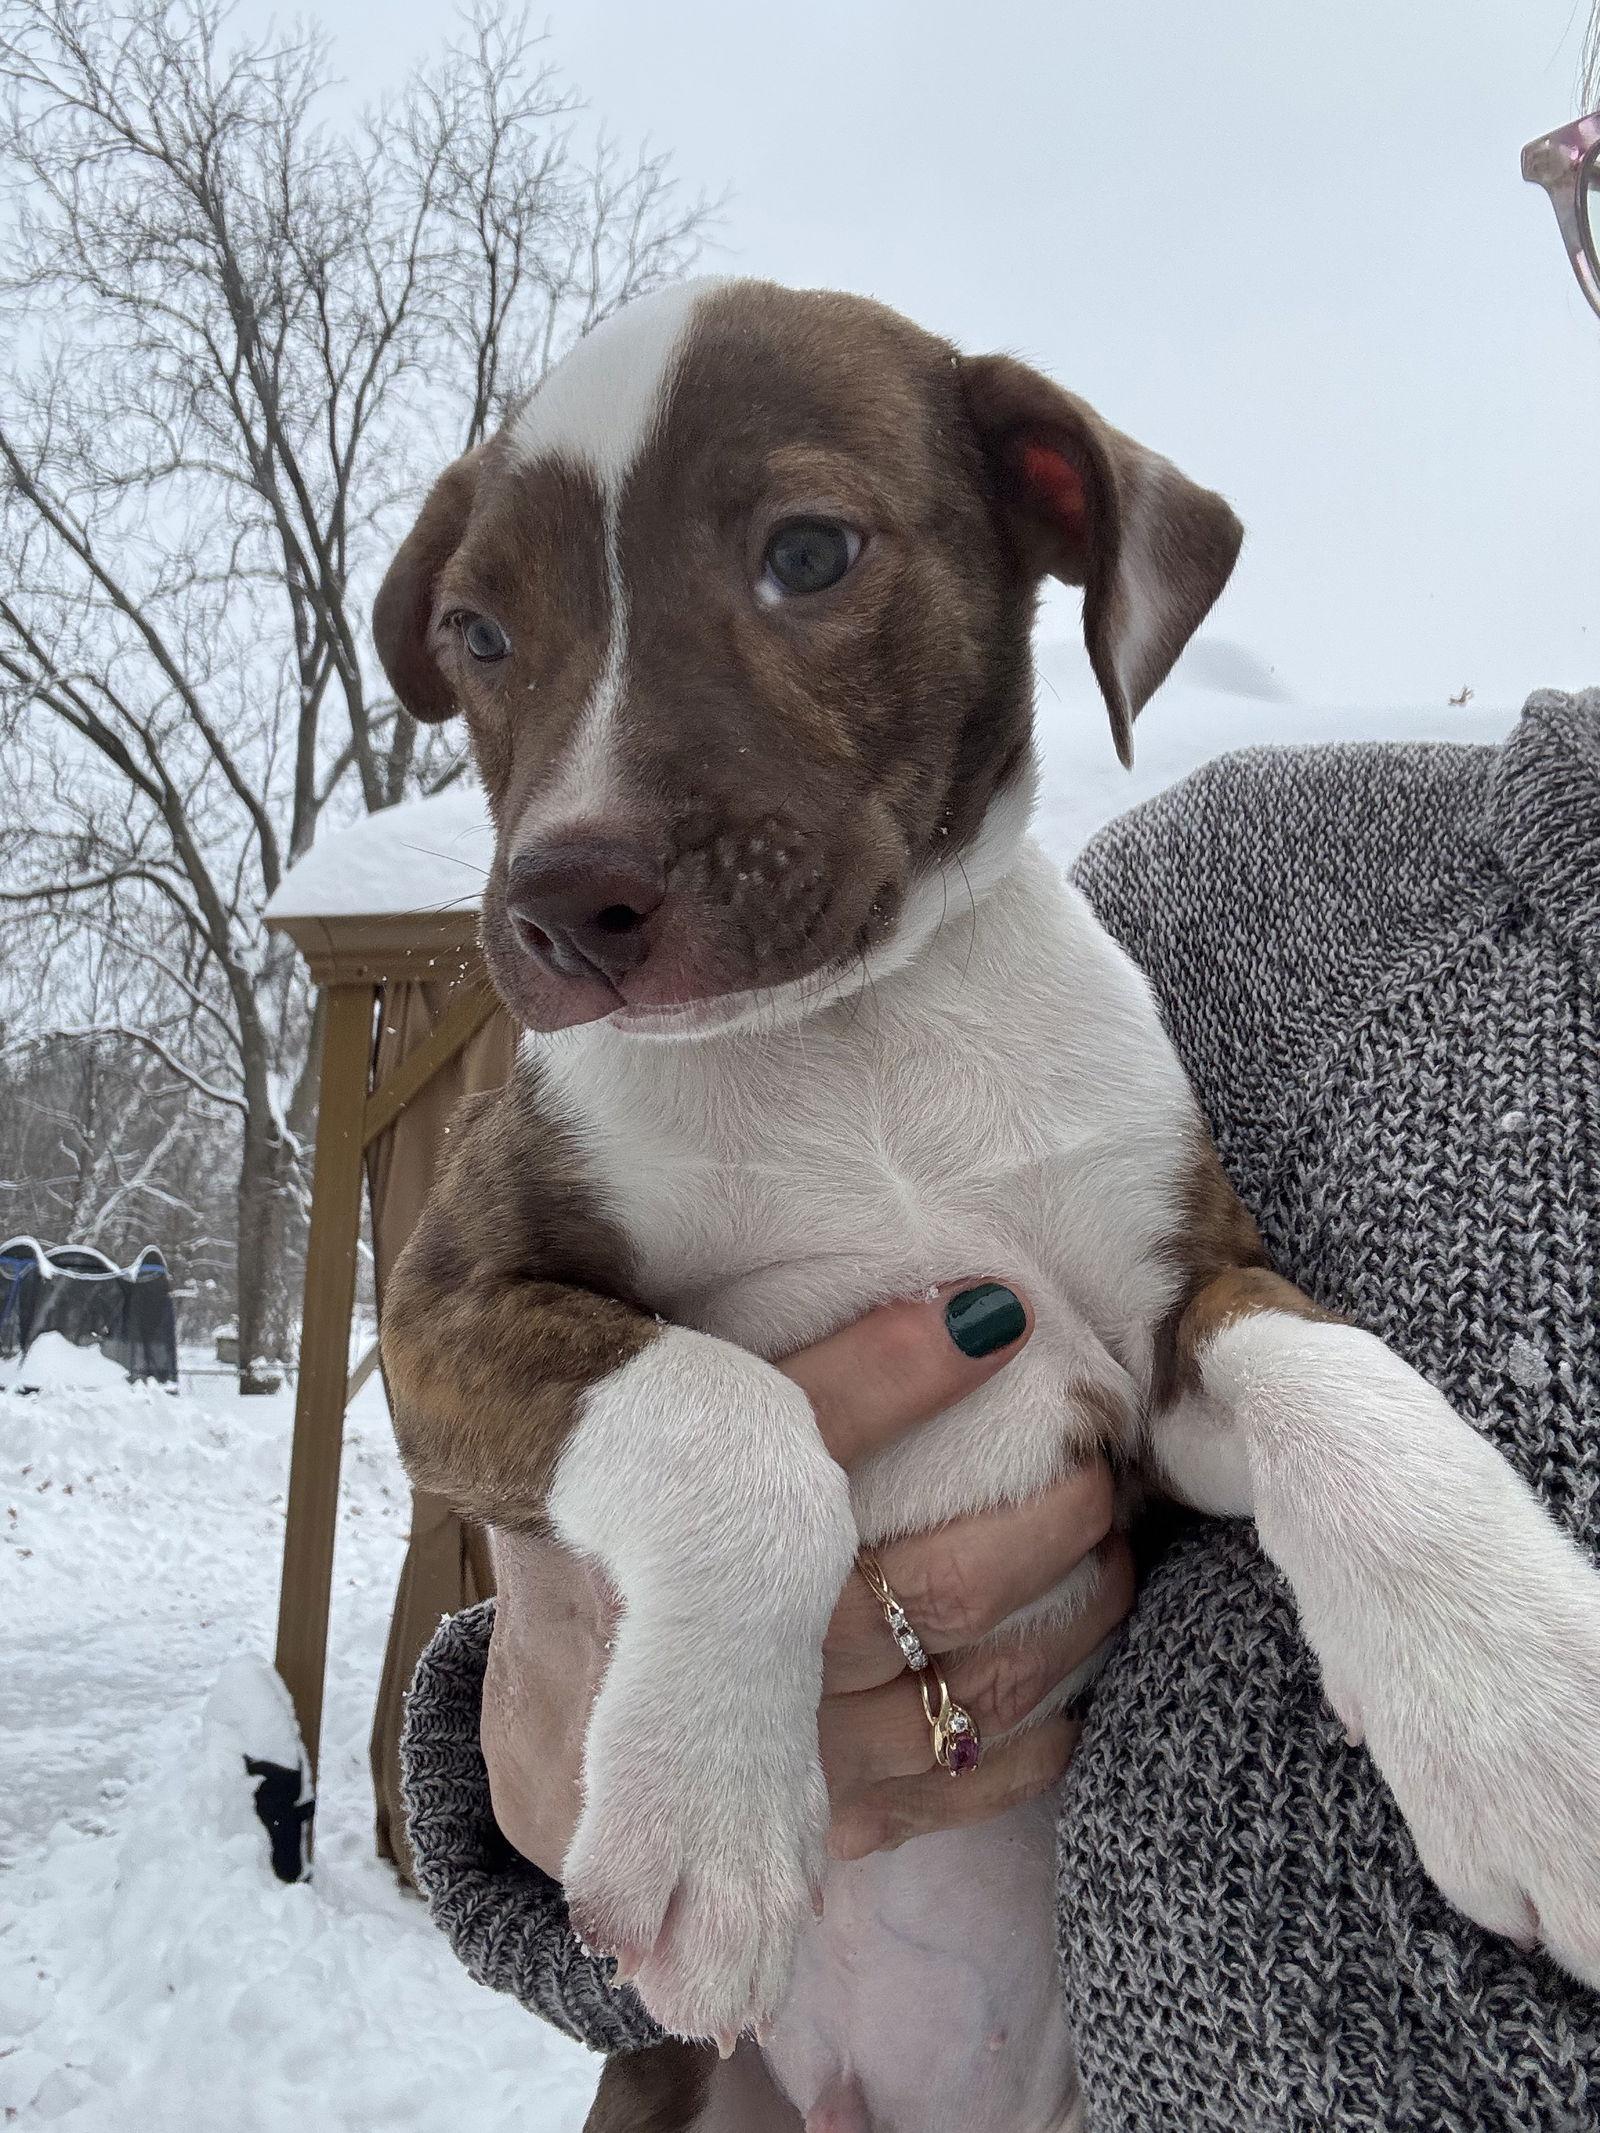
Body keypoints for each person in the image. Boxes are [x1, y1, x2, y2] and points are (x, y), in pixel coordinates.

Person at [399, 55, 1600, 2131]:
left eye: (801, 554)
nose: (579, 802)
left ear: (1058, 528)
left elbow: (1204, 1343)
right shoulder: (1249, 915)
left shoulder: (1076, 1025)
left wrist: (1419, 1546)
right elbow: (444, 1342)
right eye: (496, 637)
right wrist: (600, 1642)